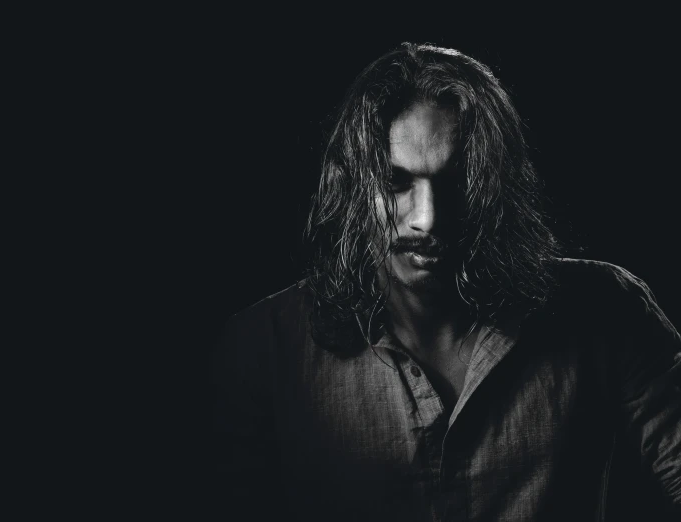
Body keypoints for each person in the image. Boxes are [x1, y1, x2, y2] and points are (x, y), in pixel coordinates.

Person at [210, 43, 680, 521]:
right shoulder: (262, 347)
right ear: (350, 186)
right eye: (395, 182)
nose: (427, 219)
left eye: (457, 182)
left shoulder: (606, 310)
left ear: (494, 187)